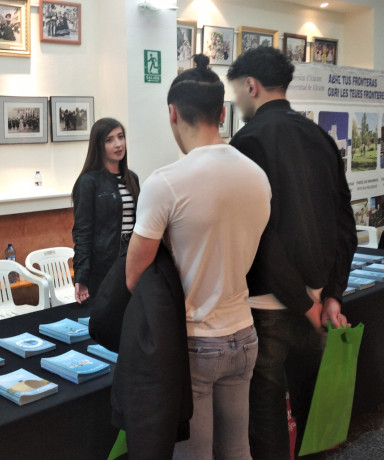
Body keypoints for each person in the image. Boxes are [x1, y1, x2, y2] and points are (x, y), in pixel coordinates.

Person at [126, 54, 272, 460]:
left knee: (194, 456)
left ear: (172, 113)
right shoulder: (257, 176)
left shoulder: (165, 183)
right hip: (244, 333)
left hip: (194, 341)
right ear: (222, 113)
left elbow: (134, 277)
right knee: (238, 450)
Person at [227, 47, 357, 459]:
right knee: (312, 419)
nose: (236, 101)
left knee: (264, 422)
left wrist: (304, 304)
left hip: (268, 308)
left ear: (251, 86)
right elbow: (344, 226)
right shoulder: (320, 137)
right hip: (318, 304)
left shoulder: (246, 141)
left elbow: (258, 239)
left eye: (237, 91)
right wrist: (331, 294)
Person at [72, 118, 140, 303]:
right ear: (99, 146)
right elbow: (82, 231)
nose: (118, 144)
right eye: (109, 140)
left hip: (132, 261)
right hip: (104, 265)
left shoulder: (132, 178)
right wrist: (81, 276)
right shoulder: (88, 181)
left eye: (120, 137)